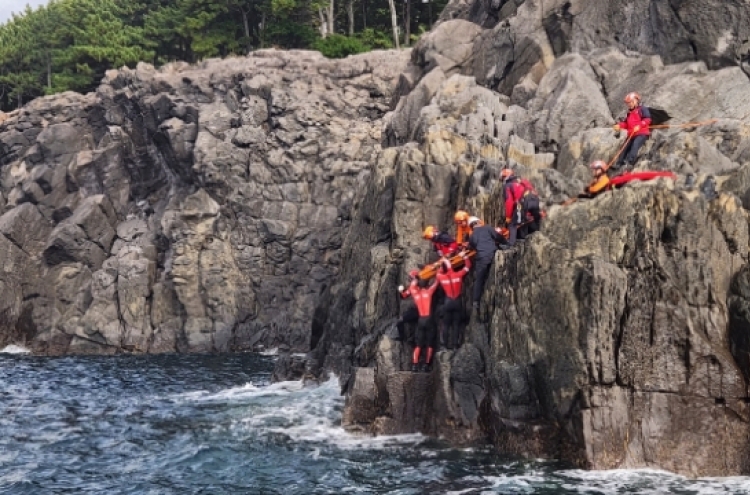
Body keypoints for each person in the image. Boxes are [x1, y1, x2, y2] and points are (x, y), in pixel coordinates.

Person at [468, 216, 507, 310]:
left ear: (471, 226)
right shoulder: (487, 228)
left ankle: (476, 302)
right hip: (492, 254)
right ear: (478, 222)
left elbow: (471, 247)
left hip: (482, 258)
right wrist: (506, 243)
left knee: (479, 280)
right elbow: (498, 237)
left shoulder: (472, 236)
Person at [404, 276, 440, 372]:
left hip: (421, 320)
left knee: (418, 344)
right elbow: (437, 282)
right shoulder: (429, 292)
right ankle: (426, 365)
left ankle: (414, 365)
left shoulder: (415, 293)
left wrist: (415, 279)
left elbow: (412, 287)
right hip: (429, 320)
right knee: (429, 344)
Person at [436, 254, 471, 350]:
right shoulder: (458, 274)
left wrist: (443, 261)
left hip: (448, 302)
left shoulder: (441, 277)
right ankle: (455, 345)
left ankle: (444, 345)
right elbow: (468, 266)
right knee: (456, 324)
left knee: (446, 324)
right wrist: (464, 257)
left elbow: (439, 271)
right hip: (457, 302)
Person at [500, 168, 542, 246]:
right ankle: (539, 237)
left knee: (512, 225)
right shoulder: (522, 181)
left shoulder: (508, 185)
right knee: (530, 220)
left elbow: (509, 202)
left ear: (505, 177)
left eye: (502, 178)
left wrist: (508, 217)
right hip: (535, 201)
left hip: (523, 203)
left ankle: (510, 243)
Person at [613, 92, 651, 170]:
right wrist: (619, 125)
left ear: (636, 101)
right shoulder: (629, 113)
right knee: (624, 147)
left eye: (630, 102)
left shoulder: (642, 109)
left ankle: (629, 162)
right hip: (632, 134)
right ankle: (619, 163)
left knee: (635, 144)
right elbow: (626, 124)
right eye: (628, 103)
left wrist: (639, 126)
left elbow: (648, 119)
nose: (629, 104)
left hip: (642, 133)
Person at [396, 270, 420, 343]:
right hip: (419, 310)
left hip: (417, 310)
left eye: (410, 278)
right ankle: (412, 338)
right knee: (413, 324)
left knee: (400, 321)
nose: (409, 279)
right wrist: (401, 292)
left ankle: (402, 338)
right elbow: (404, 295)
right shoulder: (418, 287)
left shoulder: (412, 287)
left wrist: (401, 291)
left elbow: (404, 296)